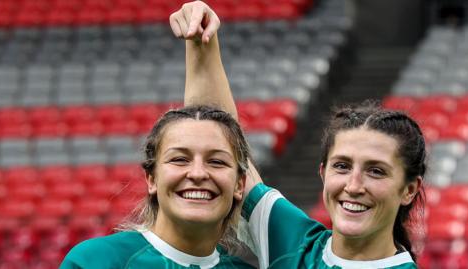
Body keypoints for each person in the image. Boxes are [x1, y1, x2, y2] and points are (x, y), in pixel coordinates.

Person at [172, 1, 426, 268]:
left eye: (376, 171)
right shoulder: (292, 243)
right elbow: (218, 140)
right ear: (322, 172)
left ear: (409, 190)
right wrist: (201, 42)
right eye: (341, 166)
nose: (353, 186)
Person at [60, 105, 256, 268]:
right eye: (179, 159)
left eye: (217, 162)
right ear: (152, 179)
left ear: (240, 185)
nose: (197, 173)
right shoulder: (96, 261)